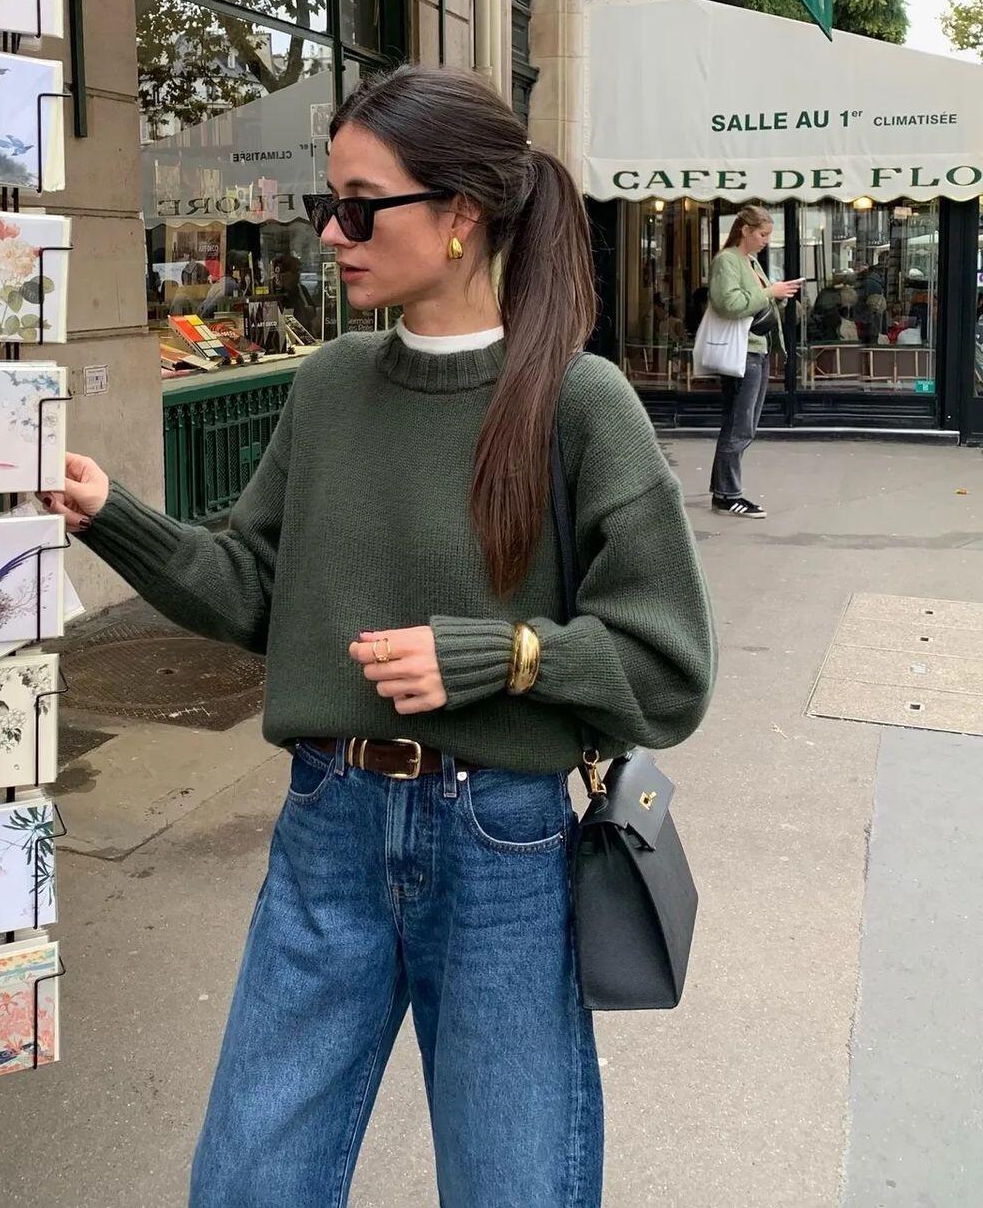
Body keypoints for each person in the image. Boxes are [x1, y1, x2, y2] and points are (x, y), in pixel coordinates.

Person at [41, 65, 716, 1208]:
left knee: (513, 1186)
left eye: (359, 208)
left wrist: (504, 656)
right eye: (328, 204)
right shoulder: (330, 385)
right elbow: (254, 591)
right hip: (328, 827)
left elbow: (669, 667)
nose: (329, 235)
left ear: (461, 215)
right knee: (249, 1184)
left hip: (503, 846)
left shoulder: (578, 401)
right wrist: (112, 515)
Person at [707, 206, 802, 518]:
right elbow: (728, 304)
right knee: (740, 426)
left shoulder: (750, 261)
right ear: (745, 230)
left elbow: (755, 301)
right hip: (742, 351)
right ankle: (728, 495)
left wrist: (777, 294)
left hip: (757, 349)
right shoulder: (727, 260)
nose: (766, 240)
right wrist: (770, 292)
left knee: (740, 424)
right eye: (763, 234)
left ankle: (724, 492)